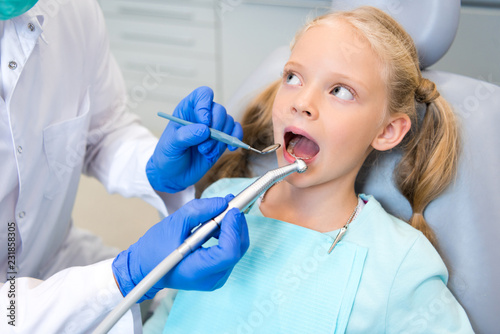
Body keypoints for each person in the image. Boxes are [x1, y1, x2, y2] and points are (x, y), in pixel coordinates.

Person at [145, 6, 474, 333]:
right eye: (293, 77)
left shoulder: (400, 264)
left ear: (387, 131)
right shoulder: (220, 200)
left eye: (340, 91)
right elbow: (168, 318)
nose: (301, 101)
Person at [0, 0, 249, 332]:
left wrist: (154, 167)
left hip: (56, 260)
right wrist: (123, 276)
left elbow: (103, 130)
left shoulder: (71, 10)